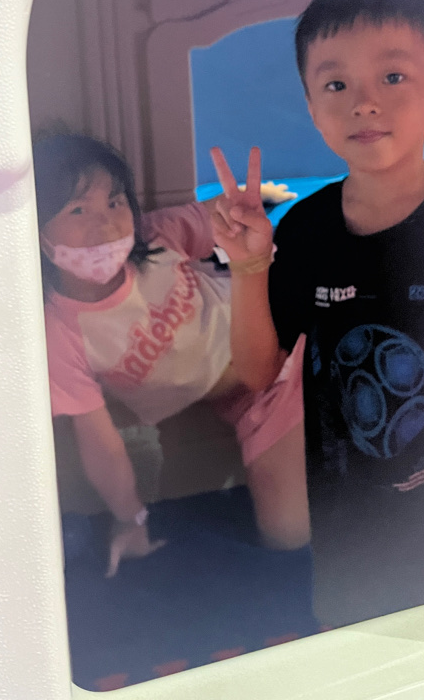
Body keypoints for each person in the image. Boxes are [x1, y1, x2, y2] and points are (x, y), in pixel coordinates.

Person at [210, 0, 424, 625]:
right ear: (310, 104)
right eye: (336, 85)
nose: (364, 104)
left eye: (393, 77)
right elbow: (259, 372)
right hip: (345, 517)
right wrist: (248, 264)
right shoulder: (307, 228)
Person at [34, 132, 309, 578]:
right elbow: (100, 445)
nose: (106, 224)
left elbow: (216, 218)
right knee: (287, 535)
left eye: (115, 202)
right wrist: (131, 519)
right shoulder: (58, 332)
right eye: (78, 210)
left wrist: (246, 203)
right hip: (253, 399)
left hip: (283, 335)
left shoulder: (156, 237)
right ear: (35, 228)